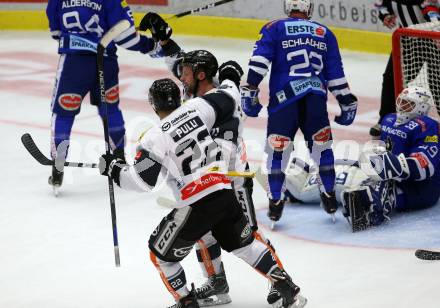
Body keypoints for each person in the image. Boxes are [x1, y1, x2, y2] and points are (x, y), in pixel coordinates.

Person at [98, 78, 307, 308]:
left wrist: (113, 169)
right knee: (245, 246)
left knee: (160, 257)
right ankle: (288, 289)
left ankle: (187, 302)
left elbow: (141, 181)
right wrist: (228, 78)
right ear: (179, 97)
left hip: (196, 204)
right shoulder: (198, 107)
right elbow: (229, 99)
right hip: (224, 192)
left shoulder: (154, 136)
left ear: (153, 105)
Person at [139, 14, 272, 305]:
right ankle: (217, 284)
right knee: (203, 235)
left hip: (232, 178)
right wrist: (164, 40)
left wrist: (232, 76)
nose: (181, 76)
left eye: (187, 73)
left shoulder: (225, 96)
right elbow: (182, 66)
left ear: (202, 75)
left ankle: (278, 280)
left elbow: (226, 86)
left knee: (246, 237)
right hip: (204, 182)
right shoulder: (194, 100)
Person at [241, 0, 358, 226]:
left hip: (284, 99)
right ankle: (329, 195)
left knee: (278, 151)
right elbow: (335, 75)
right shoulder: (325, 33)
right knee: (322, 149)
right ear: (309, 9)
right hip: (314, 98)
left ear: (289, 7)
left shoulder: (274, 27)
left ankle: (275, 200)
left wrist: (251, 89)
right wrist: (345, 101)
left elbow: (258, 63)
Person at [45, 0, 167, 195]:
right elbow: (127, 38)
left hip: (73, 64)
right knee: (110, 110)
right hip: (105, 62)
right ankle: (119, 158)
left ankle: (58, 165)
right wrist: (151, 46)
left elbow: (56, 32)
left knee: (63, 113)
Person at [343, 86, 440, 232]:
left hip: (422, 186)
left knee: (381, 191)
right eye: (401, 101)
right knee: (352, 177)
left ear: (421, 107)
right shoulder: (389, 118)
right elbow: (379, 145)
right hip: (393, 176)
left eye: (408, 103)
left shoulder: (428, 126)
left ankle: (375, 208)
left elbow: (424, 165)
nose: (402, 106)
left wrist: (392, 165)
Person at [370, 0, 440, 137]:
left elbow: (431, 8)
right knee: (392, 78)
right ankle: (385, 119)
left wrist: (437, 29)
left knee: (436, 81)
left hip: (432, 38)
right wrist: (385, 15)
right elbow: (382, 4)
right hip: (406, 38)